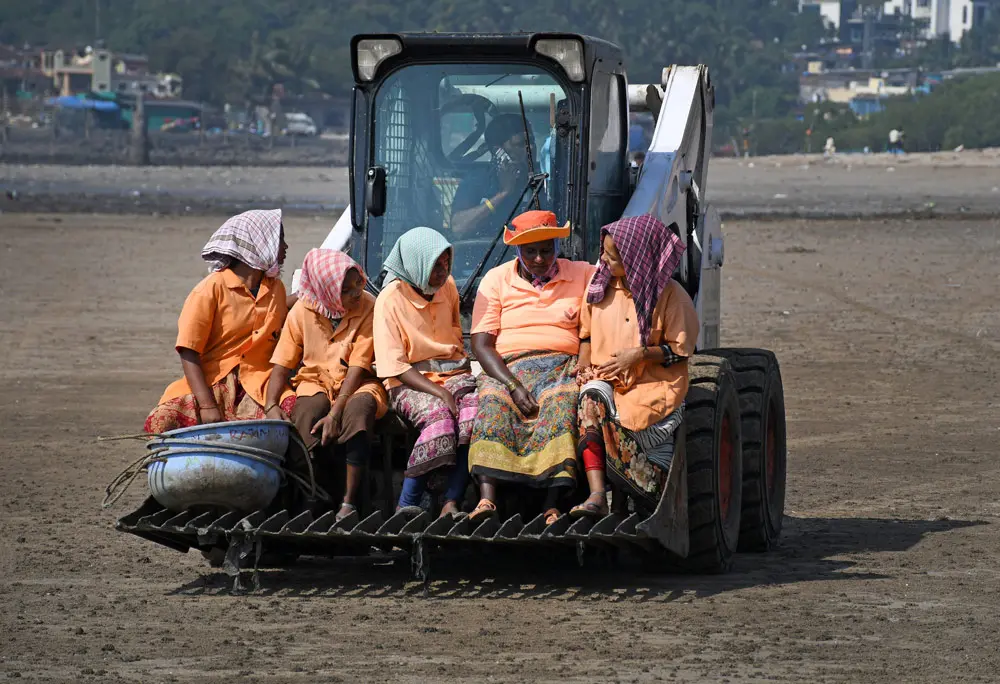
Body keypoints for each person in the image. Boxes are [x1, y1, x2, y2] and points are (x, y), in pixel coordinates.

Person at [467, 210, 596, 526]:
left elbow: (616, 283)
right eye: (530, 251)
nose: (540, 258)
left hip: (561, 366)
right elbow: (482, 344)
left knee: (561, 404)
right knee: (493, 403)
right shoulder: (497, 280)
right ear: (518, 251)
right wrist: (512, 384)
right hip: (509, 368)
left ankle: (552, 504)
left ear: (556, 247)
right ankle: (487, 499)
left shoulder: (582, 274)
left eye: (546, 250)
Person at [573, 215, 699, 517]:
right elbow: (586, 336)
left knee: (631, 430)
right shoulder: (599, 287)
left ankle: (642, 495)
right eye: (604, 251)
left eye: (611, 256)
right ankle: (597, 495)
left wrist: (639, 355)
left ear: (635, 259)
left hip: (653, 389)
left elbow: (679, 353)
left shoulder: (672, 297)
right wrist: (584, 366)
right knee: (590, 397)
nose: (602, 259)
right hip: (608, 384)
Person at [264, 249, 388, 521]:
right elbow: (282, 363)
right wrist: (270, 403)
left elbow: (359, 364)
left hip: (358, 383)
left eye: (358, 283)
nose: (357, 292)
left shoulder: (369, 306)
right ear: (327, 291)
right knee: (307, 412)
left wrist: (335, 413)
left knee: (360, 409)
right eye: (346, 289)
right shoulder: (302, 311)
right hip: (315, 381)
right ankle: (313, 497)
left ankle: (349, 503)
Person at [144, 209, 291, 433]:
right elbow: (188, 350)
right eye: (279, 239)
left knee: (294, 413)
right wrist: (207, 405)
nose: (285, 246)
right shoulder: (210, 289)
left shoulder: (276, 289)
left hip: (261, 384)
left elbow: (281, 314)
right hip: (212, 382)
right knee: (163, 420)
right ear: (259, 243)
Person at [372, 227, 478, 517]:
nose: (443, 271)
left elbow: (455, 337)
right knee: (439, 419)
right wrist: (440, 391)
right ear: (417, 265)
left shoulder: (449, 287)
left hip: (453, 374)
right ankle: (407, 503)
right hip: (409, 382)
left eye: (446, 263)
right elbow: (395, 366)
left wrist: (461, 380)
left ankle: (451, 502)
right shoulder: (389, 300)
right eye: (436, 266)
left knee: (474, 417)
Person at [450, 114, 534, 238]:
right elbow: (458, 228)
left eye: (532, 142)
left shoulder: (545, 181)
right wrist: (503, 193)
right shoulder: (477, 180)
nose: (531, 148)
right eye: (521, 144)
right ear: (498, 152)